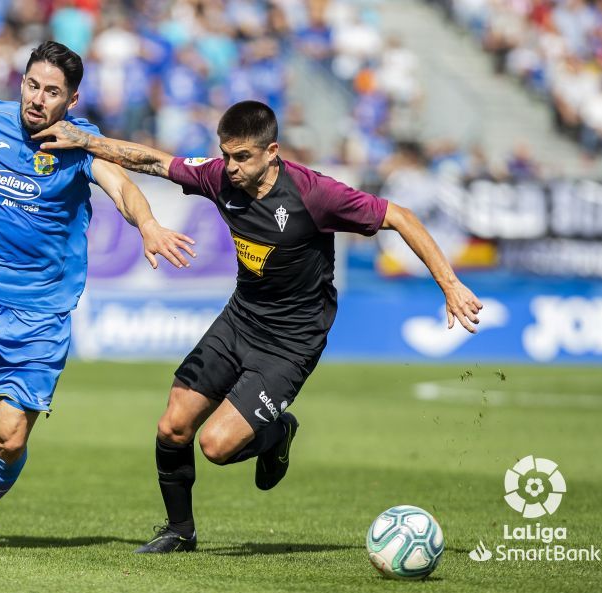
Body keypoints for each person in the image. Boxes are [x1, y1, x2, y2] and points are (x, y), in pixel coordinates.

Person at [34, 100, 484, 553]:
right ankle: (179, 530)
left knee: (216, 445)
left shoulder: (314, 195)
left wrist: (449, 285)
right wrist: (87, 141)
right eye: (225, 155)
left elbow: (399, 216)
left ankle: (276, 433)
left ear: (272, 151)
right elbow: (153, 160)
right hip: (239, 319)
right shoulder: (218, 176)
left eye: (242, 157)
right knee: (172, 426)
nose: (230, 167)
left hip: (290, 343)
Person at [0, 41, 195, 554]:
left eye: (51, 92)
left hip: (42, 314)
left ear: (71, 100)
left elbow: (122, 186)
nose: (37, 99)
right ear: (20, 83)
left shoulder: (80, 143)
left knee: (10, 439)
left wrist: (149, 224)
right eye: (31, 85)